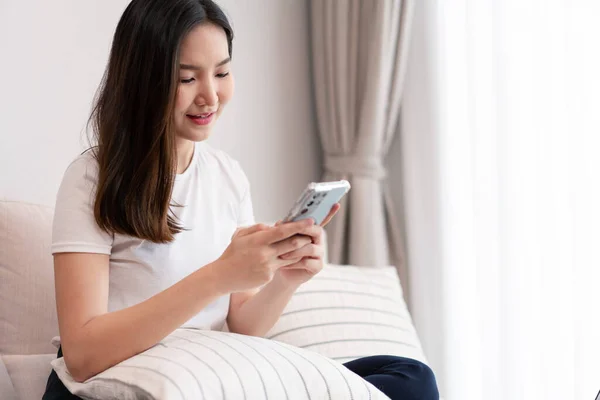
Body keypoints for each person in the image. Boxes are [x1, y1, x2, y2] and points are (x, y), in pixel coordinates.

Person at [42, 1, 439, 399]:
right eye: (186, 78)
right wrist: (217, 276)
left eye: (222, 72)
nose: (210, 96)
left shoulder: (227, 176)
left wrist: (285, 278)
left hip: (210, 376)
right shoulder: (93, 178)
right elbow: (83, 353)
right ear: (143, 80)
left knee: (409, 378)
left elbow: (244, 325)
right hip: (121, 384)